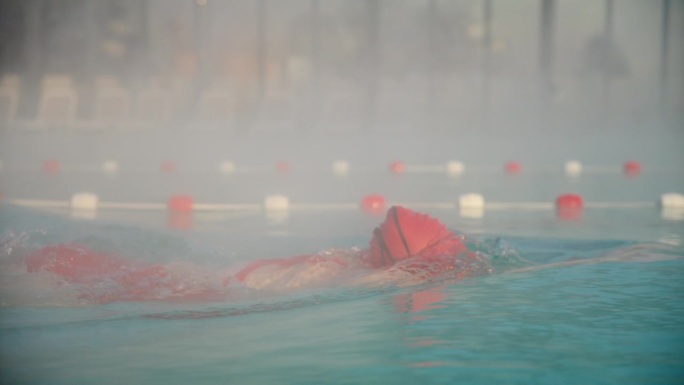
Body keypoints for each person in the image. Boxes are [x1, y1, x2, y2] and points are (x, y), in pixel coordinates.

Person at [24, 206, 490, 303]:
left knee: (72, 268)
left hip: (211, 278)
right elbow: (401, 279)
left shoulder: (354, 261)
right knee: (63, 278)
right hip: (204, 288)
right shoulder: (369, 278)